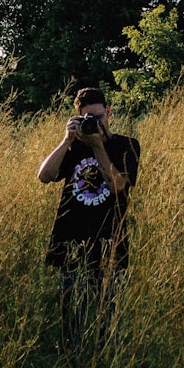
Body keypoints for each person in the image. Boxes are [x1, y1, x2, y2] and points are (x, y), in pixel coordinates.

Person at [37, 87, 141, 352]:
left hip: (110, 242)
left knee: (109, 315)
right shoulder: (73, 148)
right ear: (78, 117)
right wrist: (66, 141)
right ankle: (73, 361)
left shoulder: (126, 145)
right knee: (72, 316)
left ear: (108, 112)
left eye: (99, 116)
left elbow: (118, 185)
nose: (96, 123)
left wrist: (98, 147)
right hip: (71, 240)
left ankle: (106, 362)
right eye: (87, 118)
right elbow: (44, 176)